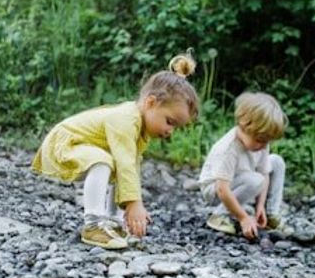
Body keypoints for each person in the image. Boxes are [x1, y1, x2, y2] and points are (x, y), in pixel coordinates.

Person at [31, 52, 199, 249]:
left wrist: (130, 206)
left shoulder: (140, 128)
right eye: (169, 122)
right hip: (64, 143)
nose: (170, 131)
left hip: (80, 146)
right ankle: (93, 225)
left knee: (117, 165)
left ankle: (113, 222)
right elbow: (126, 163)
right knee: (104, 161)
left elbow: (128, 169)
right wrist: (134, 203)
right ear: (151, 102)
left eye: (175, 127)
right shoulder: (126, 119)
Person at [199, 91, 288, 239]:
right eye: (260, 140)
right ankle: (219, 215)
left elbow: (264, 173)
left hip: (243, 178)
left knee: (276, 162)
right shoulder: (229, 148)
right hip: (215, 190)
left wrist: (260, 207)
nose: (264, 146)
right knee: (255, 180)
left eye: (267, 141)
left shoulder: (261, 144)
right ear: (244, 125)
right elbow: (222, 189)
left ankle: (270, 213)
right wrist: (243, 218)